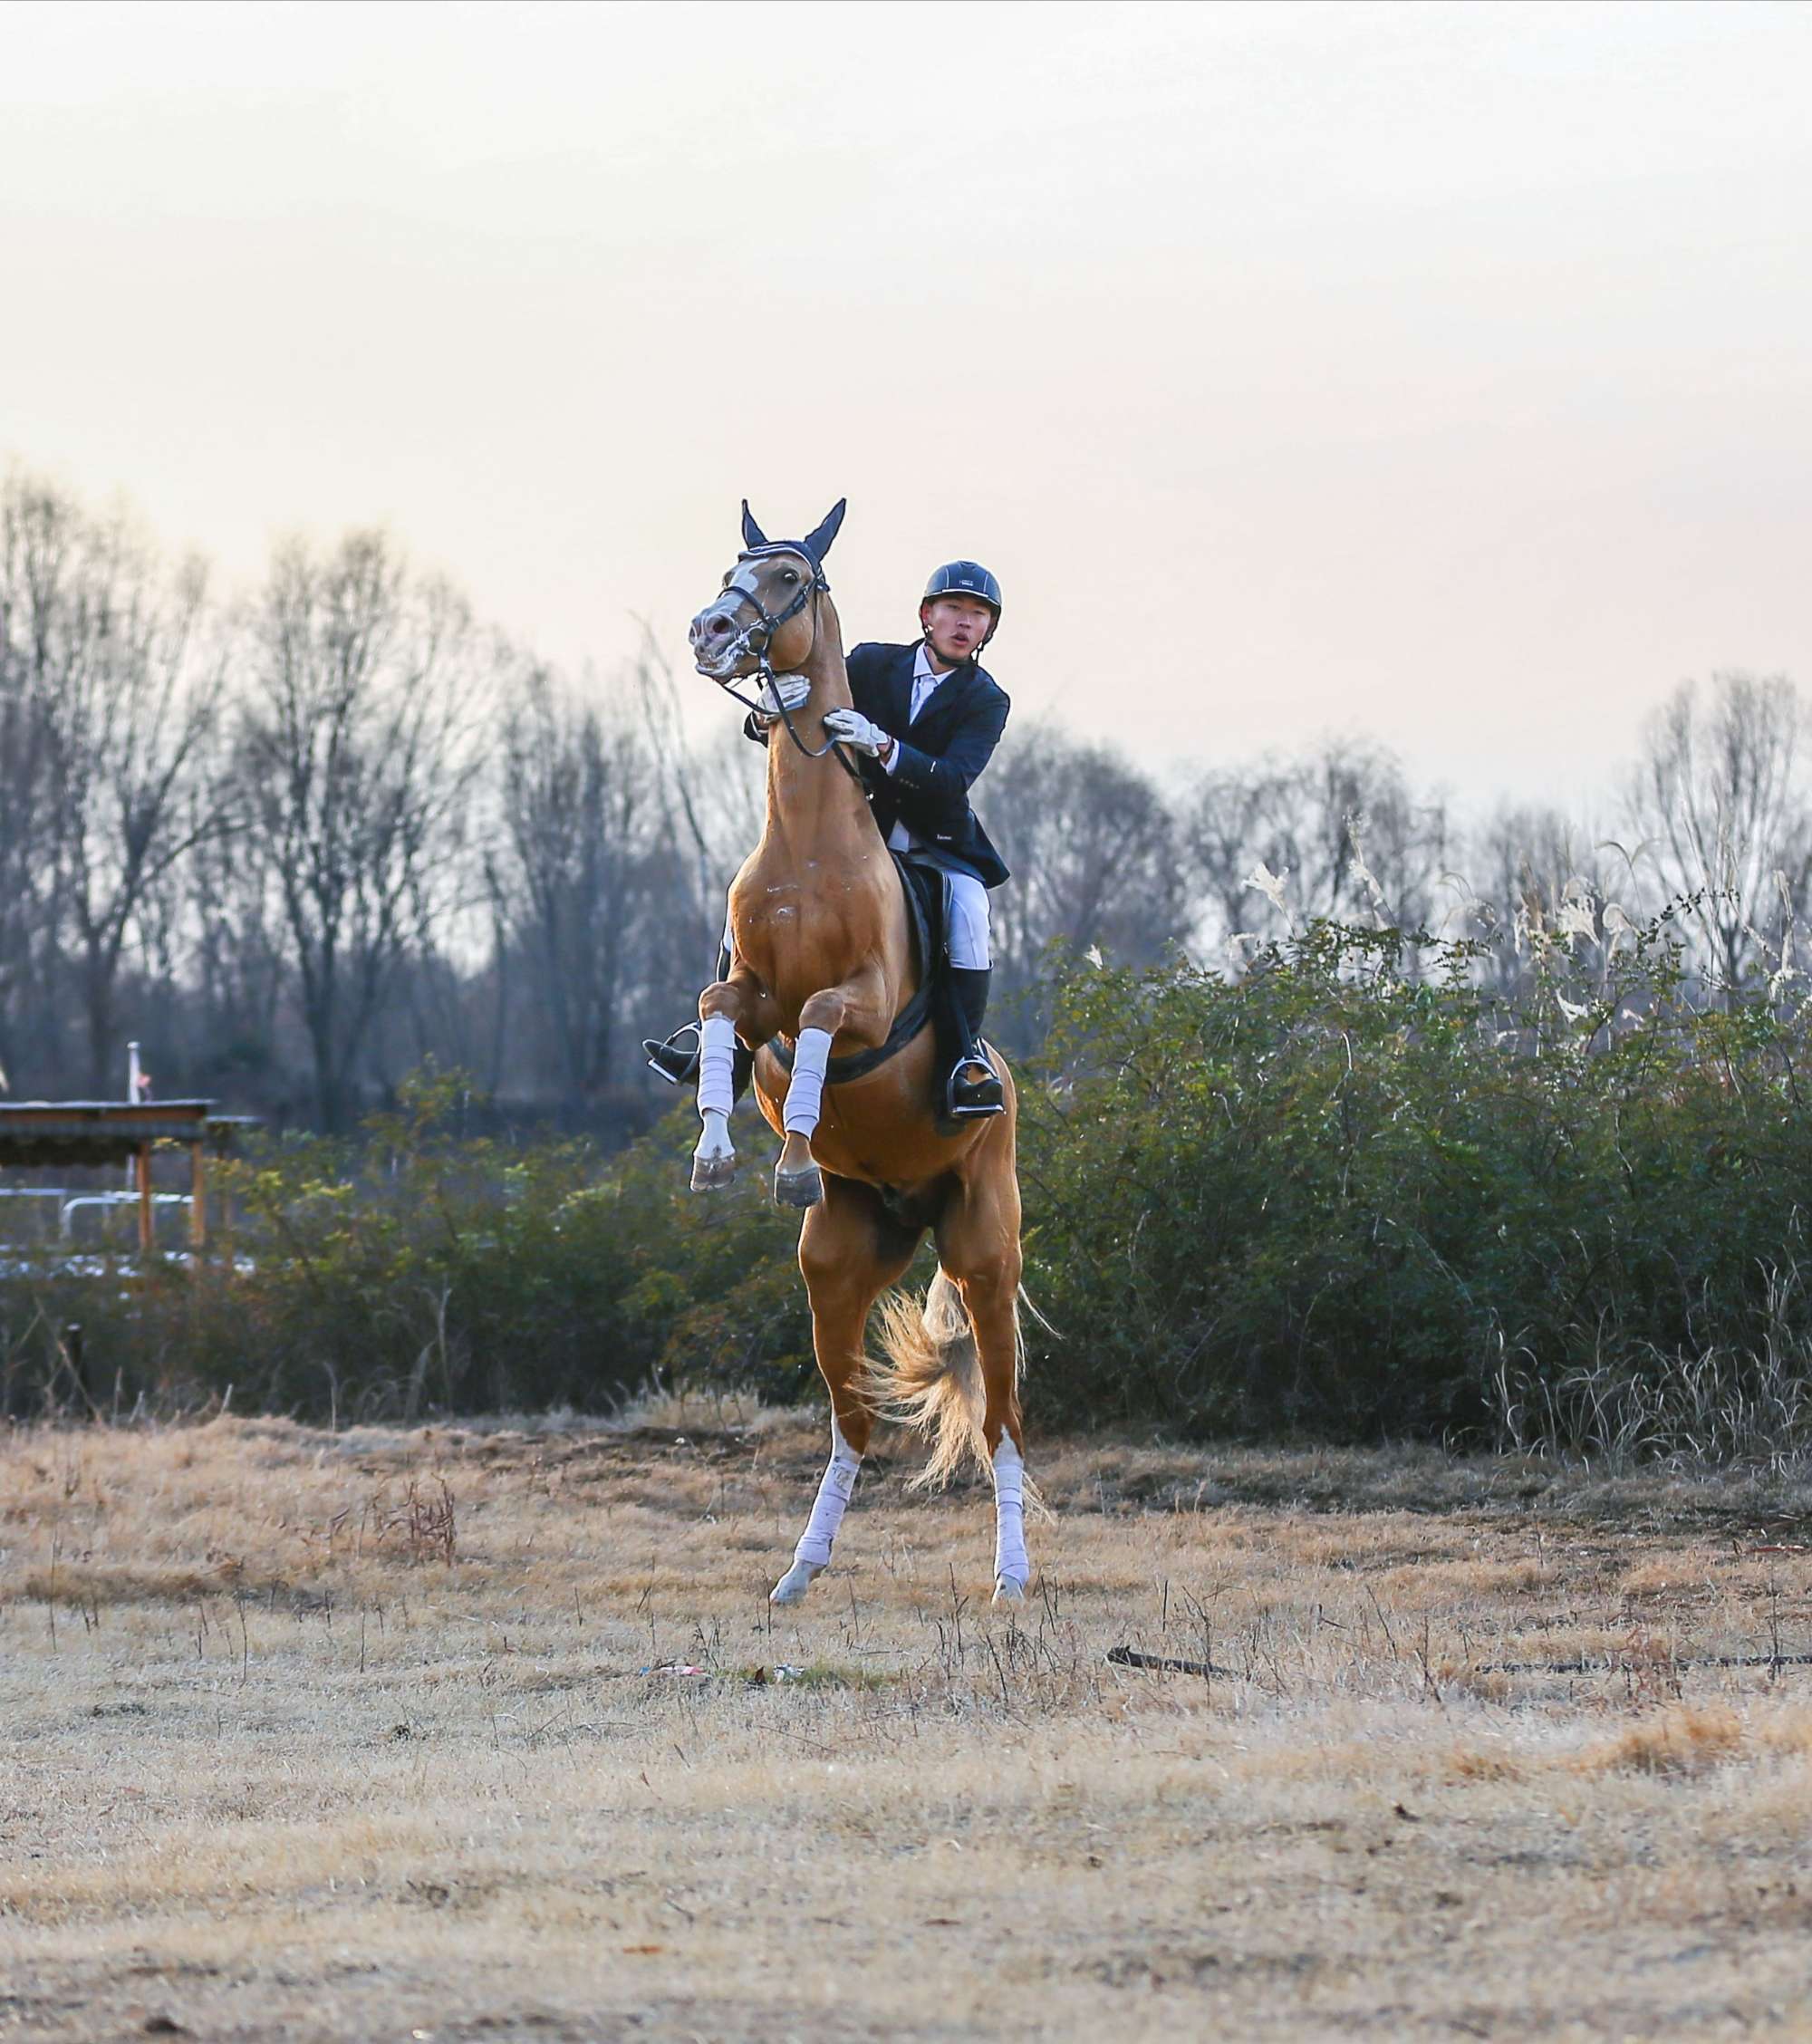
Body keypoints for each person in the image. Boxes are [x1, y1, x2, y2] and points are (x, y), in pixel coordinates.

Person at [644, 560, 1011, 1117]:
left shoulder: (986, 699)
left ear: (987, 629)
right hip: (845, 841)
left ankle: (963, 1061)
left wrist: (884, 747)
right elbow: (797, 713)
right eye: (954, 609)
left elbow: (954, 779)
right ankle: (720, 1050)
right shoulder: (868, 663)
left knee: (969, 912)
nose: (964, 623)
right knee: (746, 897)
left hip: (932, 846)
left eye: (977, 615)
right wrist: (765, 712)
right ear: (926, 615)